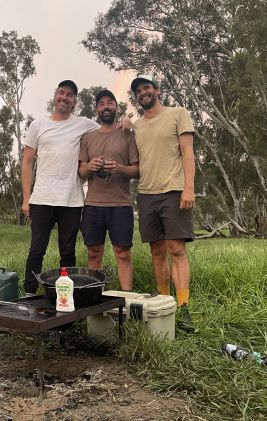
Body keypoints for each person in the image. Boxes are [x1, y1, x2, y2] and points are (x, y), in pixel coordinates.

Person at [21, 80, 100, 296]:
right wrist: (26, 198)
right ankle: (29, 292)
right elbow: (27, 163)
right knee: (37, 249)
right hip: (42, 199)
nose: (64, 97)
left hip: (71, 200)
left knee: (68, 252)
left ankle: (66, 295)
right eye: (61, 93)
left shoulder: (83, 124)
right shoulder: (37, 125)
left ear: (75, 101)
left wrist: (126, 125)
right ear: (55, 96)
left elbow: (108, 130)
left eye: (70, 95)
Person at [131, 75, 196, 332]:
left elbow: (188, 153)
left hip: (173, 191)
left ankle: (183, 307)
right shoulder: (136, 126)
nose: (143, 92)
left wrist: (189, 188)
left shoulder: (178, 114)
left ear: (157, 90)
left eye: (146, 87)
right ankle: (163, 301)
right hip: (146, 194)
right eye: (138, 91)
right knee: (156, 251)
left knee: (176, 249)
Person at [78, 89, 139, 291]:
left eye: (109, 103)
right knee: (94, 253)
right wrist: (90, 167)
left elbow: (137, 170)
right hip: (93, 205)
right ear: (97, 109)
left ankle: (126, 300)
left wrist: (119, 168)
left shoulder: (127, 135)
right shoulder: (87, 138)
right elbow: (81, 172)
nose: (106, 106)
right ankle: (95, 297)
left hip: (120, 204)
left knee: (122, 253)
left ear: (116, 107)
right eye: (101, 103)